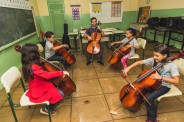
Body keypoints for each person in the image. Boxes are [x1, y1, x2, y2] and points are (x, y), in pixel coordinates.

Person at [123, 44, 180, 122]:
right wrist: (128, 68)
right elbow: (139, 62)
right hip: (153, 83)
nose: (154, 57)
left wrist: (161, 77)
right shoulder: (154, 60)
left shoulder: (171, 65)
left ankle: (153, 118)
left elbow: (177, 81)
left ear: (165, 55)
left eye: (157, 55)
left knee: (148, 98)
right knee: (144, 91)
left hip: (164, 86)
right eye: (154, 55)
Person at [21, 43, 70, 116]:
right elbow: (46, 75)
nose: (38, 53)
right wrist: (61, 72)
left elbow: (41, 74)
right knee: (61, 94)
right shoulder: (33, 66)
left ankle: (53, 102)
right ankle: (46, 109)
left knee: (55, 86)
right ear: (32, 54)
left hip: (38, 84)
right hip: (38, 88)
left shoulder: (27, 63)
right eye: (37, 52)